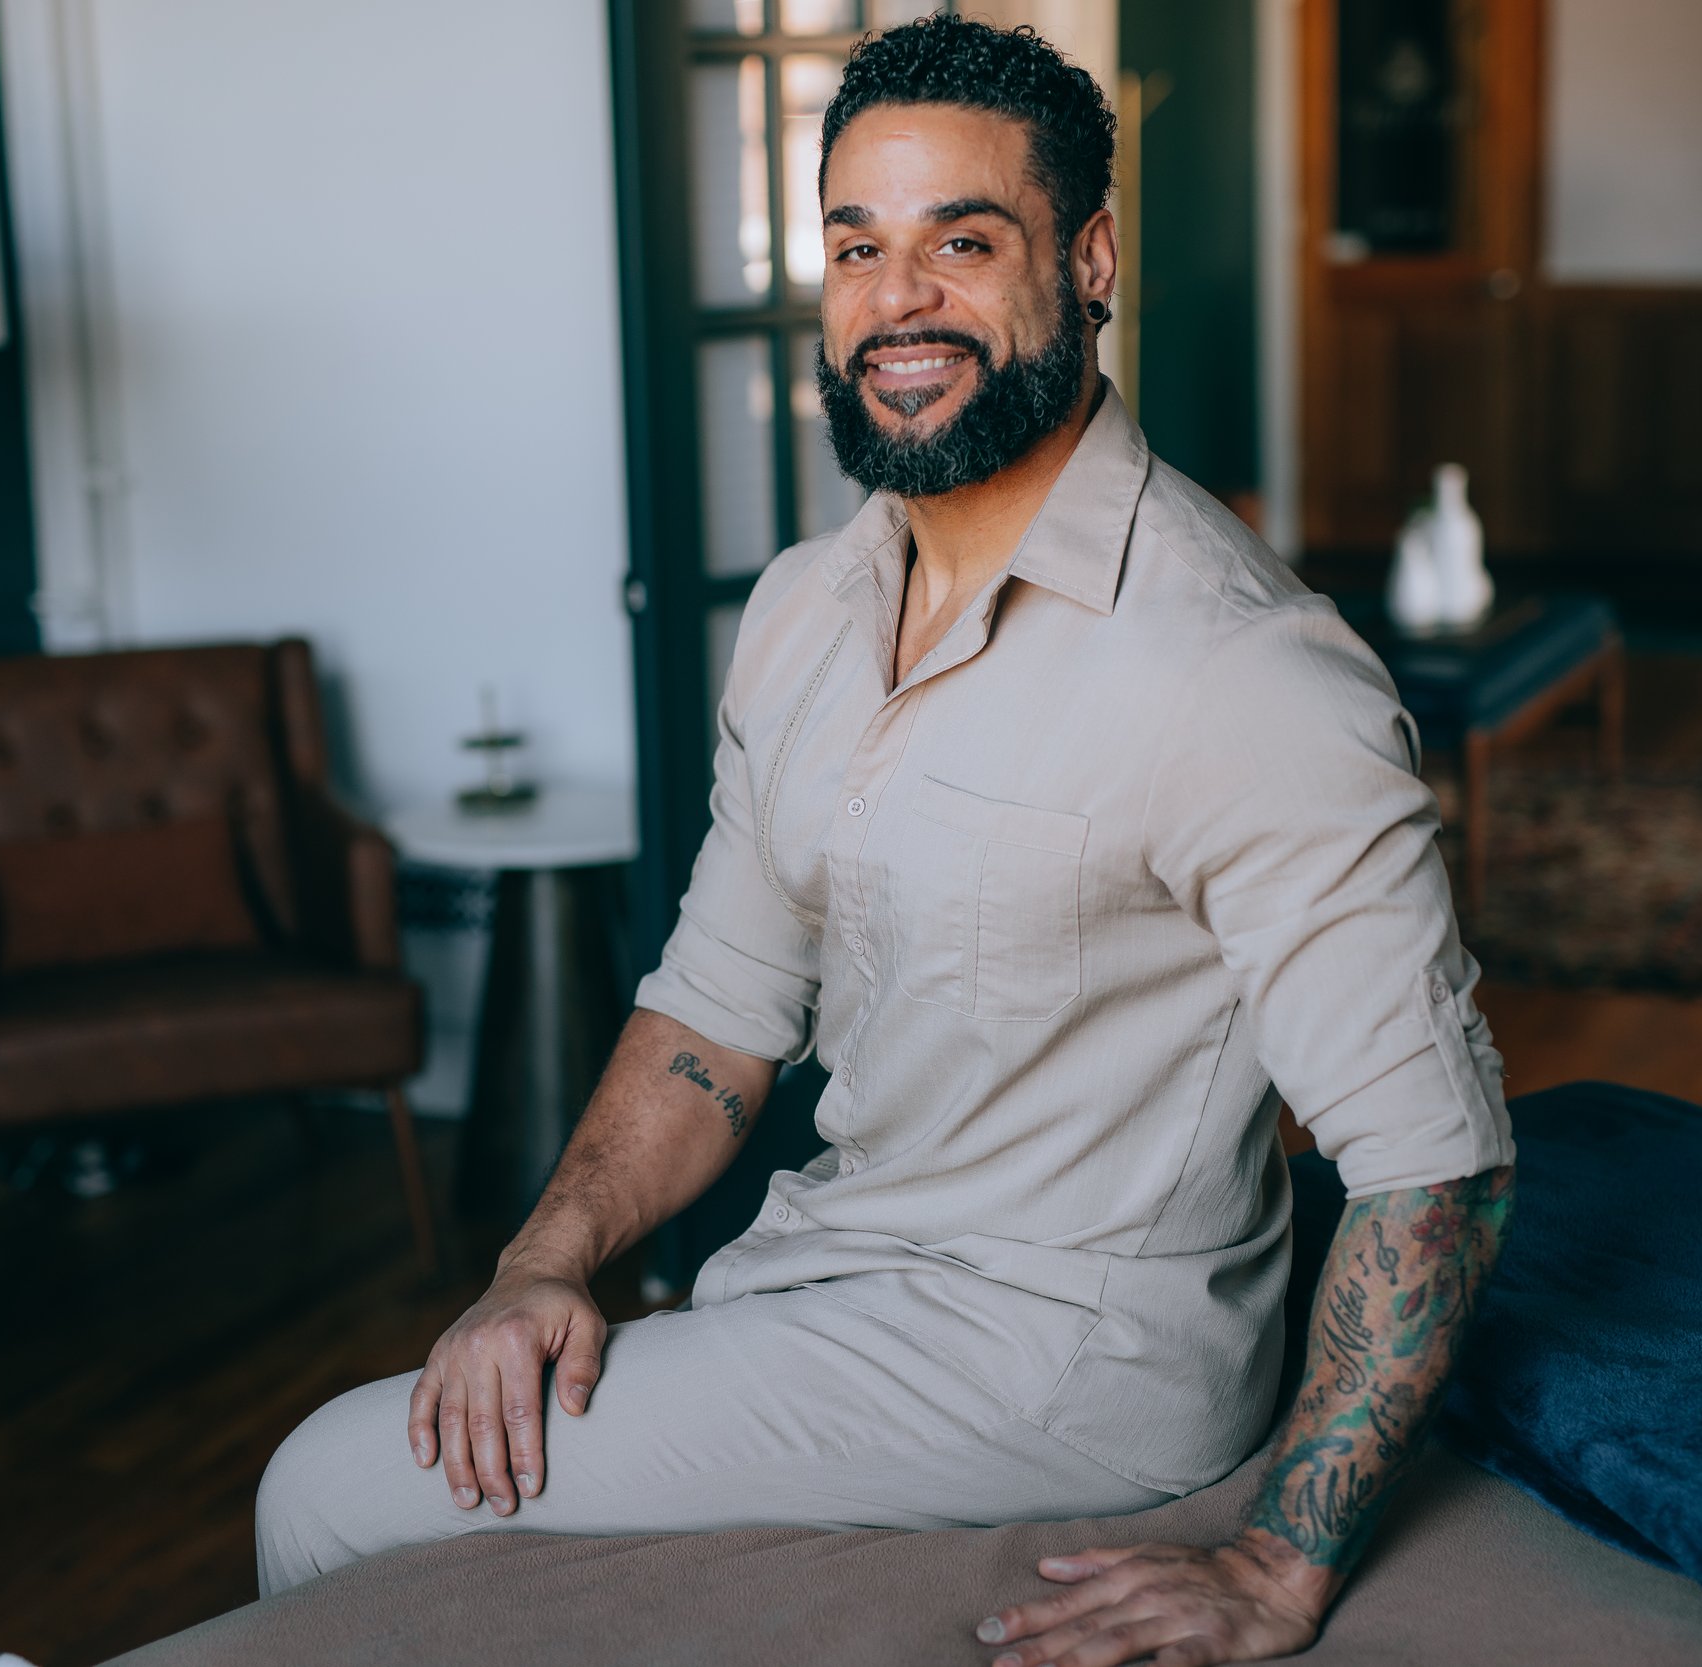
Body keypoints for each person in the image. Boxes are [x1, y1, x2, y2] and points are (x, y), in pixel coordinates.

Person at [256, 16, 1515, 1661]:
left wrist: (1276, 1567)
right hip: (837, 1271)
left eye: (961, 243)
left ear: (1092, 261)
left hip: (1064, 1356)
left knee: (330, 1488)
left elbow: (1437, 1162)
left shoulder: (1241, 670)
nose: (895, 299)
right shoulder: (805, 609)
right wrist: (539, 1257)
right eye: (857, 246)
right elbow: (714, 1014)